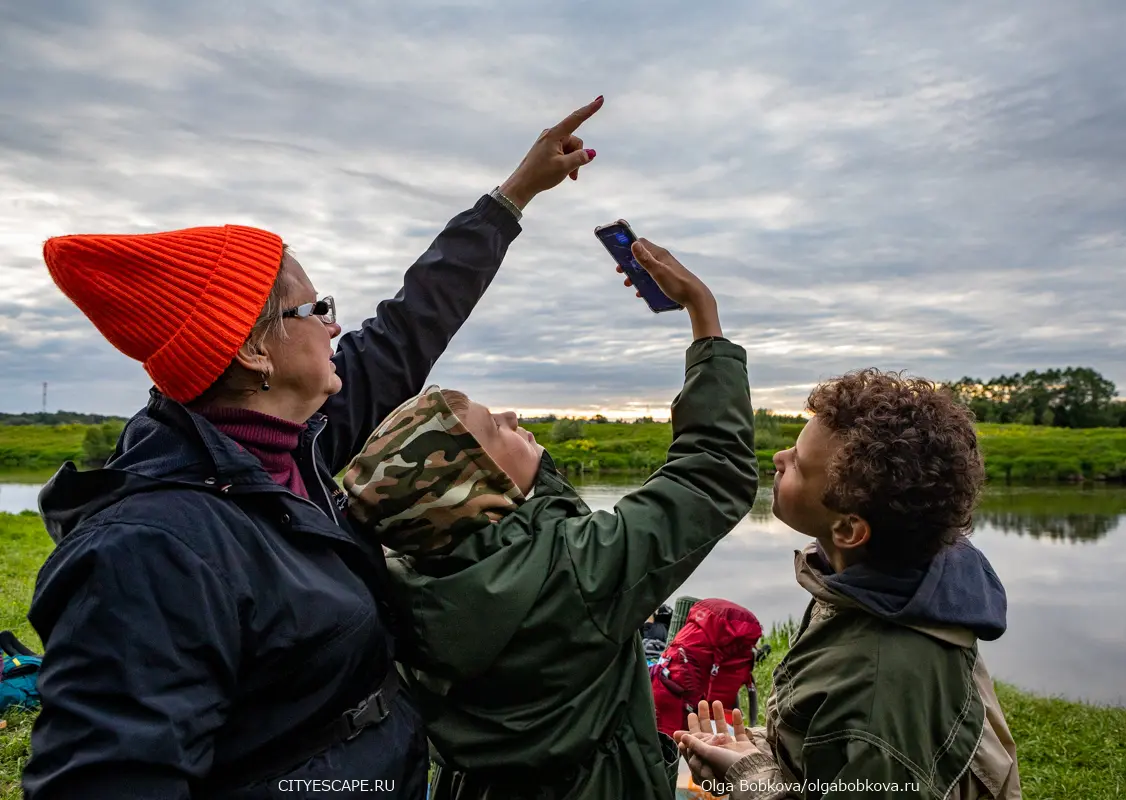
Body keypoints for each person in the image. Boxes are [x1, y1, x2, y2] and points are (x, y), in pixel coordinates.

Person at [22, 97, 605, 800]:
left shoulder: (297, 447)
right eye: (316, 309)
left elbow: (409, 324)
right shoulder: (152, 552)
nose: (336, 326)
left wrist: (512, 196)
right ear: (252, 349)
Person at [338, 240, 760, 800]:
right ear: (486, 491)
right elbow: (712, 474)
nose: (513, 416)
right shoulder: (577, 568)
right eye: (496, 429)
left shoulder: (403, 581)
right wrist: (703, 315)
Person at [676, 370, 1022, 799]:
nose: (779, 458)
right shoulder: (884, 583)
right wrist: (768, 748)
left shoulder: (881, 685)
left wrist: (749, 775)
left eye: (799, 464)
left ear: (848, 530)